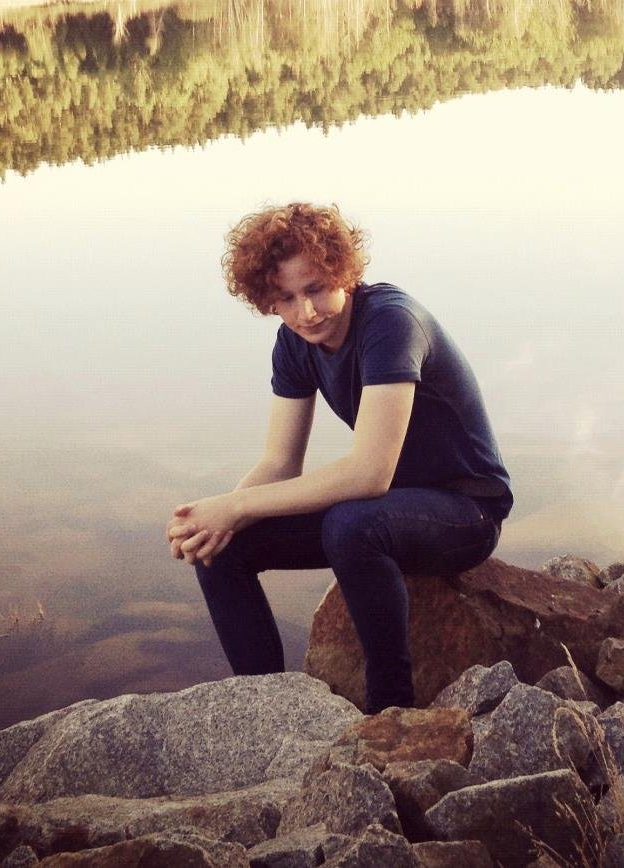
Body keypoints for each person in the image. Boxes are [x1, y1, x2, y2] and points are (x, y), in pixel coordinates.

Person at [166, 203, 512, 714]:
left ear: (344, 273)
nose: (306, 312)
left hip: (466, 511)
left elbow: (369, 474)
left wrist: (238, 507)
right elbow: (280, 462)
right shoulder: (294, 344)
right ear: (266, 300)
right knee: (224, 548)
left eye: (315, 289)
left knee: (351, 524)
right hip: (391, 508)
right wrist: (216, 517)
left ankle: (390, 710)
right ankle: (266, 708)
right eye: (286, 298)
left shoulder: (391, 323)